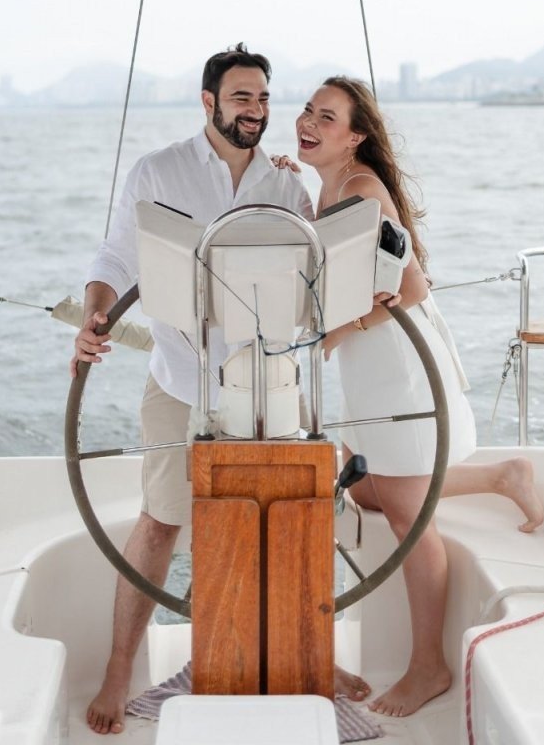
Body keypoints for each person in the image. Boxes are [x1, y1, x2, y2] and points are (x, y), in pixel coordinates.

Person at [70, 45, 369, 735]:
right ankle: (120, 669)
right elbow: (115, 257)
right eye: (241, 98)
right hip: (180, 379)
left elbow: (317, 280)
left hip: (268, 386)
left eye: (263, 98)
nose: (256, 111)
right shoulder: (158, 171)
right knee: (159, 523)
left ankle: (312, 658)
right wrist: (95, 315)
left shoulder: (286, 185)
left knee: (294, 520)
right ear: (208, 102)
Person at [292, 76, 543, 719]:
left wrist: (338, 331)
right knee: (366, 492)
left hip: (396, 362)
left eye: (327, 116)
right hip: (368, 361)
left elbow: (412, 288)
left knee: (409, 517)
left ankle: (429, 665)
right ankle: (501, 476)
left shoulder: (362, 189)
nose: (308, 122)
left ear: (356, 137)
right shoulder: (327, 186)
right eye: (307, 111)